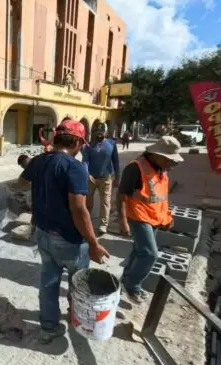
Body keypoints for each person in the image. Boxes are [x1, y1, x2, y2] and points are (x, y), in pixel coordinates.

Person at [17, 120, 109, 342]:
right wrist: (94, 243)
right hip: (69, 240)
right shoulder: (74, 167)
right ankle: (77, 319)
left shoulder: (39, 161)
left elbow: (20, 183)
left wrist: (42, 184)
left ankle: (48, 326)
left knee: (49, 280)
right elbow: (79, 210)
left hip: (43, 234)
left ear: (56, 137)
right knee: (78, 283)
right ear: (77, 142)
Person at [118, 136, 183, 304]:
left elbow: (160, 198)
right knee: (150, 254)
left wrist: (167, 217)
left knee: (139, 250)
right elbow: (121, 197)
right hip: (138, 217)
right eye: (169, 159)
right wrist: (123, 222)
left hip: (154, 218)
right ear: (156, 154)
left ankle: (126, 279)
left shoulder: (162, 168)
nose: (171, 164)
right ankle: (133, 286)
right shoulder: (135, 168)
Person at [81, 126, 120, 234]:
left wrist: (117, 177)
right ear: (94, 132)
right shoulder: (88, 146)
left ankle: (103, 225)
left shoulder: (111, 144)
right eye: (97, 131)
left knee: (105, 203)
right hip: (91, 178)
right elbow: (85, 161)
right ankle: (86, 223)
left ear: (106, 132)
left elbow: (115, 161)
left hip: (106, 178)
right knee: (88, 203)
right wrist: (86, 174)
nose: (99, 134)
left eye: (102, 131)